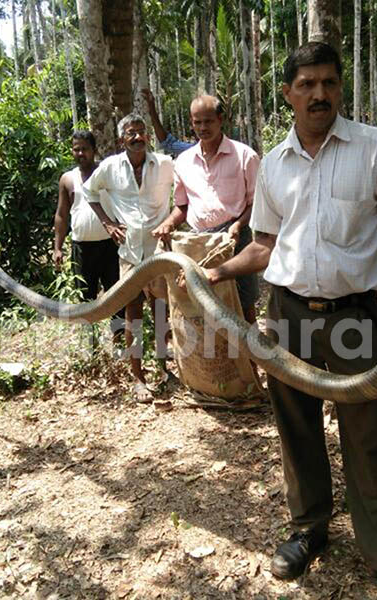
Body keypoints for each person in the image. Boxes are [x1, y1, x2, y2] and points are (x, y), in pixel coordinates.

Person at [200, 43, 377, 600]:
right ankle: (309, 529)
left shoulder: (374, 148)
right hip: (287, 314)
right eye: (307, 84)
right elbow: (264, 245)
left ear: (339, 88)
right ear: (287, 93)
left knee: (368, 435)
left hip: (354, 316)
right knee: (297, 428)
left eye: (329, 82)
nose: (319, 94)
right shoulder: (274, 163)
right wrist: (219, 272)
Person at [84, 113, 175, 404]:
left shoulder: (164, 164)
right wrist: (108, 223)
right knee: (132, 312)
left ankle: (164, 370)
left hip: (159, 250)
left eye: (141, 132)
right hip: (130, 252)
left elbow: (184, 194)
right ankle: (138, 378)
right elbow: (89, 192)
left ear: (148, 135)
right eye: (131, 133)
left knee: (161, 311)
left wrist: (171, 222)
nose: (137, 137)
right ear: (121, 139)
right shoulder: (110, 167)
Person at [151, 94, 261, 323]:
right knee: (203, 311)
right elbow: (182, 206)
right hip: (199, 243)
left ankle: (251, 348)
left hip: (236, 240)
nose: (203, 128)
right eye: (197, 122)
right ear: (191, 123)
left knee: (244, 306)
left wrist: (238, 225)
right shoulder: (183, 161)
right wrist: (168, 223)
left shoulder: (245, 156)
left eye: (208, 121)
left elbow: (256, 203)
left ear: (221, 120)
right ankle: (216, 348)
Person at [53, 130, 123, 338]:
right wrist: (57, 247)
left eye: (85, 149)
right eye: (76, 149)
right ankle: (91, 344)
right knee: (85, 299)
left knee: (117, 297)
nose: (81, 153)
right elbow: (61, 215)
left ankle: (120, 341)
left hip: (111, 246)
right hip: (82, 248)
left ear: (94, 150)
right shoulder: (68, 179)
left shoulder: (107, 173)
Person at [141, 88, 195, 157]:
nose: (203, 127)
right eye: (197, 122)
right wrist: (151, 107)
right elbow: (167, 142)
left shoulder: (192, 150)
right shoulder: (192, 149)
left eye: (207, 122)